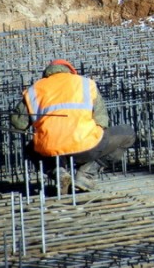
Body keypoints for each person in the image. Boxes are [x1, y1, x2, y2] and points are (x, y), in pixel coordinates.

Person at [10, 59, 136, 192]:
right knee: (128, 134)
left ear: (47, 73)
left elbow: (18, 124)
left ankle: (58, 171)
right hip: (86, 147)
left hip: (51, 152)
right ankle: (86, 175)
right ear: (71, 71)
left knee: (31, 148)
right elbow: (102, 120)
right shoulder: (85, 84)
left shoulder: (35, 90)